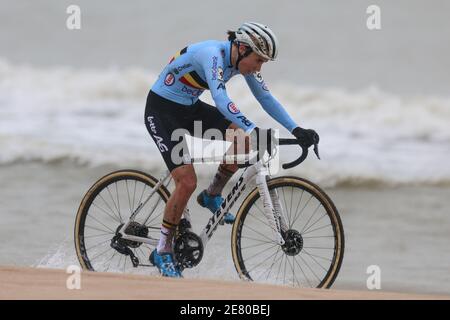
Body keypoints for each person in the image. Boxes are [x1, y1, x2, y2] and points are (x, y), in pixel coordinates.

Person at [145, 22, 319, 277]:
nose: (259, 68)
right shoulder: (212, 55)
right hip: (162, 111)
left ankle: (213, 194)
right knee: (186, 182)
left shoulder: (242, 60)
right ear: (241, 48)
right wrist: (251, 127)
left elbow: (266, 98)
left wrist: (296, 129)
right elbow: (221, 99)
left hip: (189, 108)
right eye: (258, 61)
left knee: (242, 141)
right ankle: (162, 250)